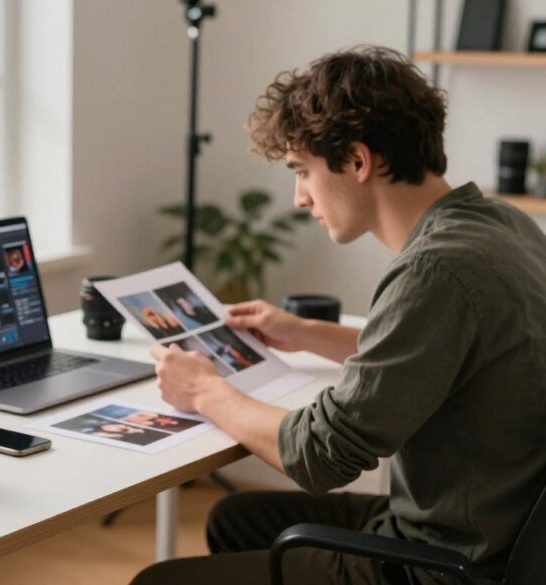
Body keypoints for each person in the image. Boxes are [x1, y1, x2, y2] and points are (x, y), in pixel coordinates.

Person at [132, 46, 546, 585]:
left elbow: (317, 456)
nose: (300, 198)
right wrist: (304, 334)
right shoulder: (500, 225)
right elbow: (437, 357)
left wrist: (204, 391)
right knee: (236, 520)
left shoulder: (434, 271)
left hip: (448, 562)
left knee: (156, 582)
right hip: (489, 529)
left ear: (357, 160)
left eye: (302, 171)